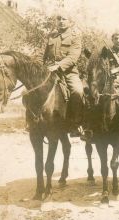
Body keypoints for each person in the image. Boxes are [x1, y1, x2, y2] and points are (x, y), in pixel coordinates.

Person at [43, 11, 89, 139]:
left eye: (64, 19)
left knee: (78, 92)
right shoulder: (51, 36)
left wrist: (59, 65)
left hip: (68, 72)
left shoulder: (75, 37)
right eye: (59, 19)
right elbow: (44, 54)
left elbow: (73, 57)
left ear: (70, 22)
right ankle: (31, 121)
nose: (61, 21)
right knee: (31, 88)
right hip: (49, 70)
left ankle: (76, 124)